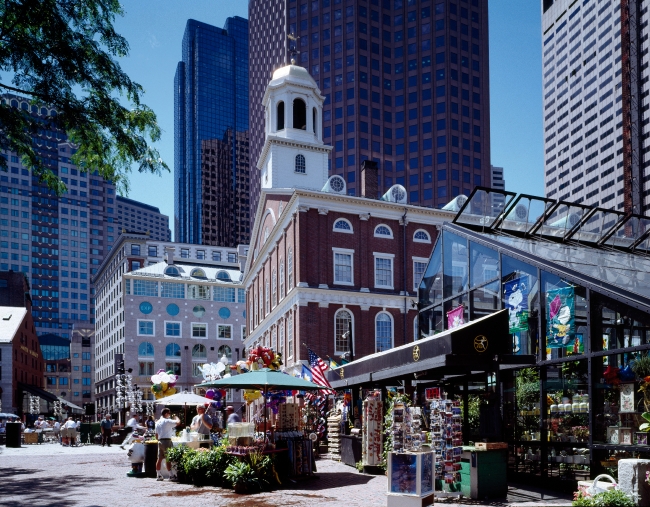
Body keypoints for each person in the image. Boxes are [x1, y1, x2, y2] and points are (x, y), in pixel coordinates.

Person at [155, 408, 180, 481]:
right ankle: (171, 475)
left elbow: (156, 435)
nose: (169, 415)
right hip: (167, 441)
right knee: (168, 459)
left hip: (160, 441)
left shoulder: (158, 422)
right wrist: (176, 417)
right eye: (169, 413)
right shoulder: (167, 421)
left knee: (159, 459)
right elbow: (178, 422)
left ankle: (158, 475)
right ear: (166, 414)